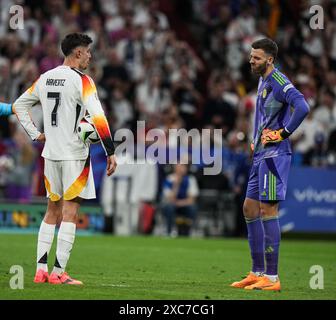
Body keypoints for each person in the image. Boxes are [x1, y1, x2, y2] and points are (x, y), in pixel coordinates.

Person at [13, 33, 117, 285]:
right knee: (70, 212)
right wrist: (110, 150)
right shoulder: (83, 81)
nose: (90, 56)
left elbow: (18, 105)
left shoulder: (45, 78)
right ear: (78, 52)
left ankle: (40, 271)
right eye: (88, 51)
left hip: (51, 155)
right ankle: (59, 273)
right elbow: (99, 117)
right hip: (74, 155)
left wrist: (36, 134)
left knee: (51, 211)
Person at [230, 38, 309, 291]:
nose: (251, 61)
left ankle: (272, 279)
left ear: (270, 60)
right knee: (249, 208)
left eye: (256, 57)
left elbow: (303, 106)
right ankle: (256, 271)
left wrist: (283, 133)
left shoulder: (279, 81)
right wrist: (255, 140)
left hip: (275, 156)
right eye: (251, 56)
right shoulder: (262, 79)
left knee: (268, 211)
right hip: (261, 154)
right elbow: (263, 116)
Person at [162, 163, 199, 237]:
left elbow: (192, 199)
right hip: (173, 205)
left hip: (184, 205)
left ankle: (191, 230)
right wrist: (176, 184)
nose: (181, 169)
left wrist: (179, 203)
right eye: (179, 167)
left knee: (193, 208)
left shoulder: (190, 179)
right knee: (169, 208)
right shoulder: (169, 179)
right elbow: (170, 198)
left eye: (183, 167)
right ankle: (169, 231)